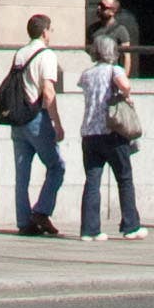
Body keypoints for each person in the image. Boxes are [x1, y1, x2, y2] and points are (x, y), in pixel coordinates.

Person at [65, 37, 137, 242]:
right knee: (124, 178)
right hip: (111, 131)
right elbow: (125, 85)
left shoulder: (87, 74)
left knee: (92, 181)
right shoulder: (115, 70)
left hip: (89, 133)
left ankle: (90, 229)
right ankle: (130, 225)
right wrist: (125, 94)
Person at [1, 15, 63, 240]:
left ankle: (23, 221)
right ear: (45, 32)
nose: (51, 34)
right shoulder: (46, 55)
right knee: (57, 166)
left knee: (22, 175)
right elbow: (48, 91)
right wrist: (57, 123)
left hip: (18, 119)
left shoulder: (20, 53)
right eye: (50, 30)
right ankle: (41, 212)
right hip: (37, 118)